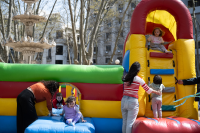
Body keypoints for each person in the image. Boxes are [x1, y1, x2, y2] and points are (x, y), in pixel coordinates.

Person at [121, 62, 161, 133]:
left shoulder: (126, 77)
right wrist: (156, 92)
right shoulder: (138, 79)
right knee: (130, 123)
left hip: (124, 100)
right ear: (138, 71)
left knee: (125, 122)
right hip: (132, 101)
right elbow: (147, 89)